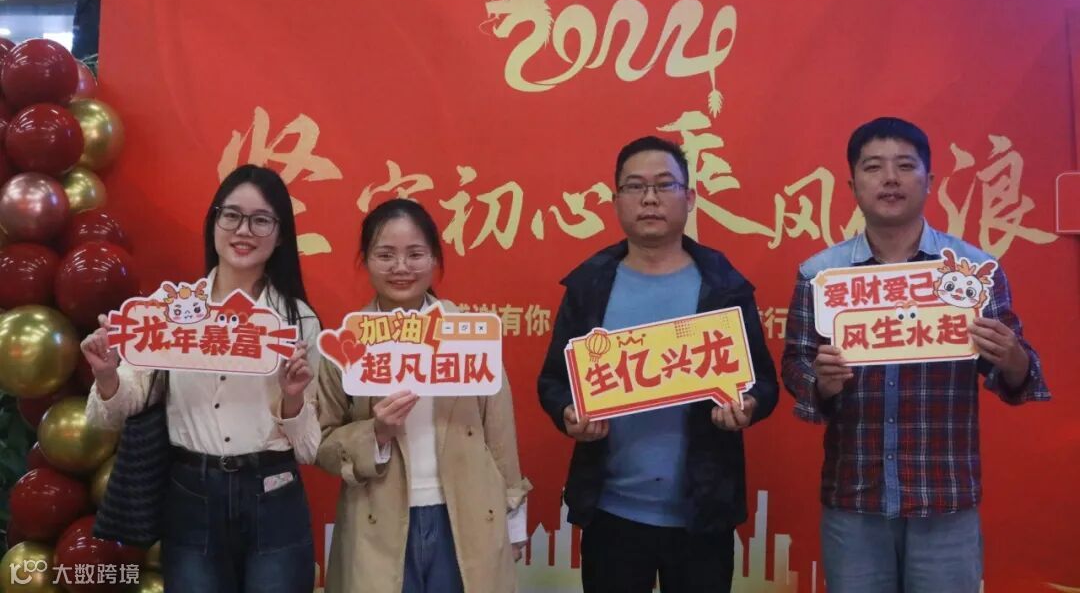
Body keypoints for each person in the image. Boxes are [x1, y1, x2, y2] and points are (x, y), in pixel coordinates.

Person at [781, 117, 1051, 593]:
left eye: (905, 166)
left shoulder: (973, 273)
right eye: (874, 167)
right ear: (853, 185)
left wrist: (1011, 357)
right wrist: (819, 384)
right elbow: (795, 365)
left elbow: (1019, 377)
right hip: (855, 498)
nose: (890, 178)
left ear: (930, 180)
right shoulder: (821, 276)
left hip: (944, 499)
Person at [537, 135, 779, 593]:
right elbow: (553, 380)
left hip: (702, 513)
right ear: (616, 201)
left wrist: (747, 406)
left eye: (665, 185)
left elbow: (763, 382)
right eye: (635, 186)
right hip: (611, 511)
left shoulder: (723, 287)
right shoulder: (590, 285)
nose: (649, 198)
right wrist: (568, 412)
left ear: (690, 198)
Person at [82, 164, 321, 593]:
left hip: (273, 494)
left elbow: (307, 448)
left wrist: (292, 400)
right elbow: (110, 414)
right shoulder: (169, 310)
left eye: (260, 220)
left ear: (281, 235)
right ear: (213, 223)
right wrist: (106, 375)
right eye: (231, 215)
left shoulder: (297, 321)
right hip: (191, 495)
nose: (243, 230)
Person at [316, 198, 531, 593]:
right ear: (366, 260)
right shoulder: (349, 343)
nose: (401, 267)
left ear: (434, 259)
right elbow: (323, 442)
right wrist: (375, 434)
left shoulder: (468, 335)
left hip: (465, 516)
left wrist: (514, 523)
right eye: (385, 255)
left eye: (415, 254)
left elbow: (500, 434)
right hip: (378, 523)